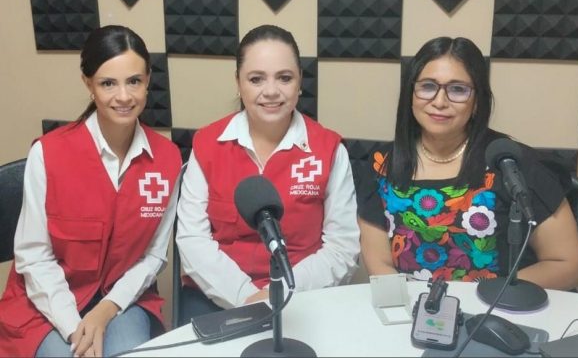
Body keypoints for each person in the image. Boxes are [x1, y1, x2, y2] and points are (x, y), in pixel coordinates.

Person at [0, 25, 183, 357]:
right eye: (108, 83)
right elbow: (34, 256)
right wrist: (74, 328)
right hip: (46, 303)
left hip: (122, 299)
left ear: (148, 80)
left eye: (134, 81)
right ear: (88, 84)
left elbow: (153, 256)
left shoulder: (168, 159)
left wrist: (106, 309)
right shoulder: (49, 154)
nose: (124, 96)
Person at [357, 36, 578, 291]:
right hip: (410, 309)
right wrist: (410, 309)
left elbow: (569, 265)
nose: (440, 101)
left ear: (477, 101)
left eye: (458, 89)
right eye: (428, 86)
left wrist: (490, 297)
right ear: (411, 93)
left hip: (495, 309)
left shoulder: (511, 163)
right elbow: (379, 263)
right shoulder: (382, 164)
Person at [175, 24, 360, 324]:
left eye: (284, 78)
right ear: (238, 83)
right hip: (218, 298)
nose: (271, 91)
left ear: (300, 81)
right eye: (256, 79)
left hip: (303, 297)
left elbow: (342, 248)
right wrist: (245, 297)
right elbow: (193, 239)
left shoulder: (329, 149)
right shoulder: (207, 144)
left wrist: (279, 292)